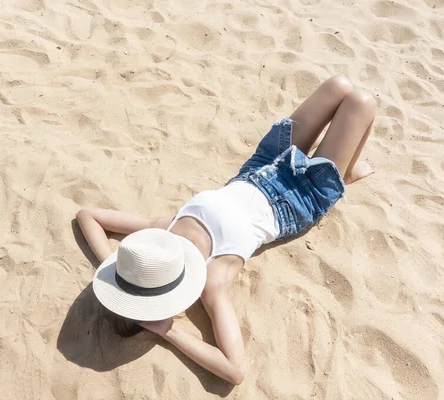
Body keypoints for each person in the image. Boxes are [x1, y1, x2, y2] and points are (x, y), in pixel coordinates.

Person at [75, 75, 376, 385]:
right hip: (300, 196)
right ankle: (345, 174)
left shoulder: (162, 234)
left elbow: (88, 216)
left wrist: (112, 265)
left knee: (338, 86)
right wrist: (169, 331)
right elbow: (234, 371)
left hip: (261, 166)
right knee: (362, 103)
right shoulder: (213, 280)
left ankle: (347, 169)